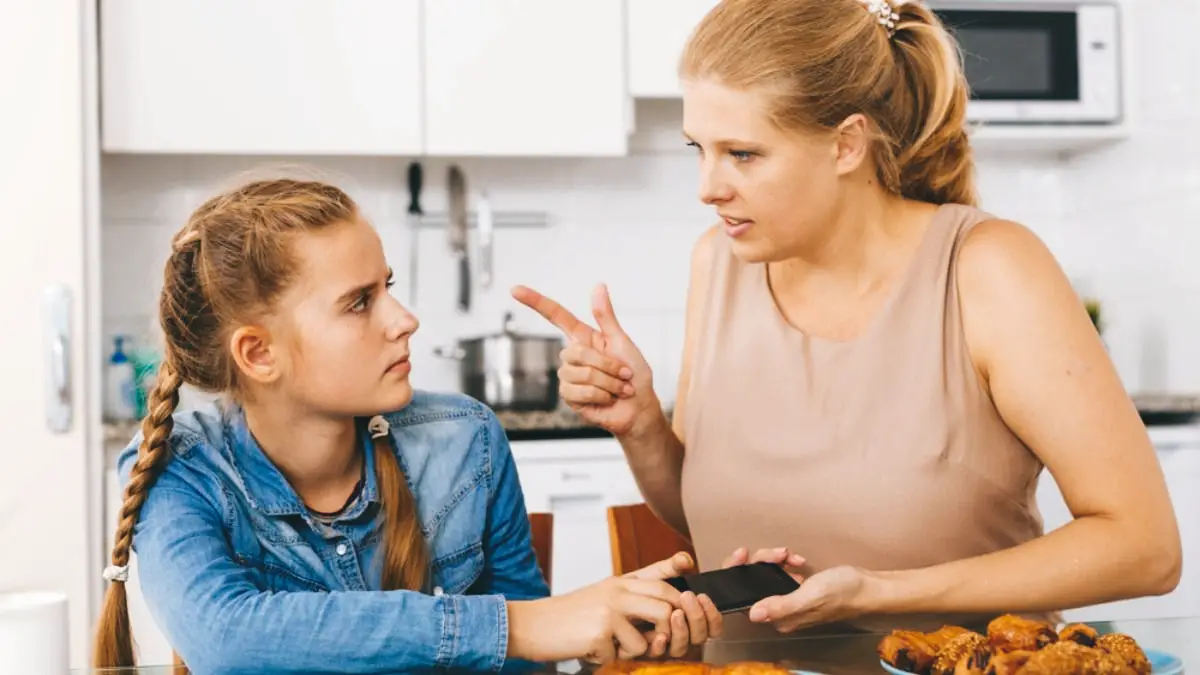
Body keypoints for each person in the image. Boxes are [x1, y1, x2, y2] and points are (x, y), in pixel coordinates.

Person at [513, 0, 1182, 638]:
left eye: (742, 153)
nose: (708, 186)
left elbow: (1145, 548)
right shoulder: (719, 261)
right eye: (699, 148)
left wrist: (883, 590)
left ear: (847, 144)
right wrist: (643, 428)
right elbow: (703, 517)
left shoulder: (986, 268)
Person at [92, 178, 724, 675]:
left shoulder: (466, 438)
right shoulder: (180, 470)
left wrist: (599, 638)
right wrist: (526, 626)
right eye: (359, 302)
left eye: (386, 286)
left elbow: (525, 660)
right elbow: (225, 638)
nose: (405, 319)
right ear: (259, 355)